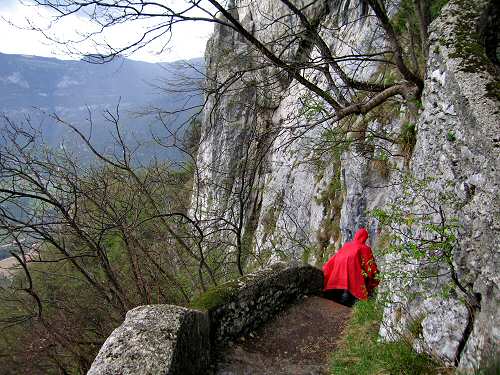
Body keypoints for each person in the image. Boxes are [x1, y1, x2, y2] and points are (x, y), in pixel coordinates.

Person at [322, 227, 379, 307]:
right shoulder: (365, 248)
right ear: (365, 238)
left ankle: (342, 296)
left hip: (339, 274)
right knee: (352, 285)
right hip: (353, 274)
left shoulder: (347, 245)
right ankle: (347, 298)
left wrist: (325, 270)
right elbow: (370, 264)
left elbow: (334, 259)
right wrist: (376, 277)